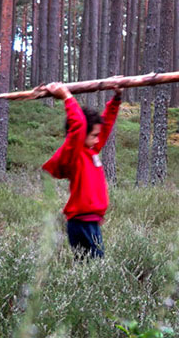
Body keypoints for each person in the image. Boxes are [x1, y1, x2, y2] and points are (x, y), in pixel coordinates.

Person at [42, 83, 122, 259]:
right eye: (93, 135)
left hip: (90, 222)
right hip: (81, 223)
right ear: (81, 135)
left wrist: (116, 99)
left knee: (91, 268)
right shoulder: (74, 153)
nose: (97, 139)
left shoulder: (90, 150)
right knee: (94, 268)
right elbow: (78, 125)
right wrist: (66, 96)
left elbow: (106, 125)